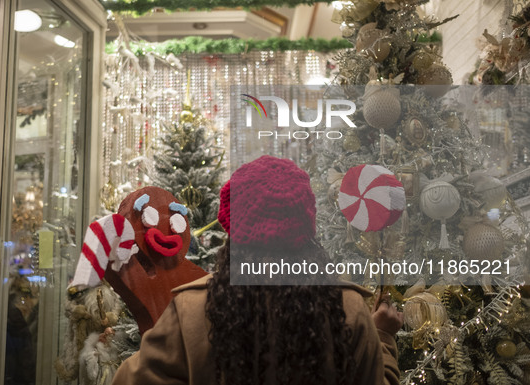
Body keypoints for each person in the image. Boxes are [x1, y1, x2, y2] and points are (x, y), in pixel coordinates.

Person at [111, 155, 402, 385]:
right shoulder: (347, 309)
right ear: (306, 227)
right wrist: (384, 338)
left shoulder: (192, 310)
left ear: (233, 230)